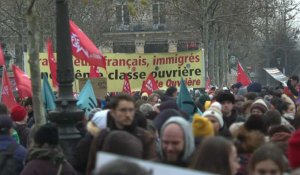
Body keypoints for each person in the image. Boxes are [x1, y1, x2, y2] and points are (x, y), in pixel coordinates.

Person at [87, 94, 156, 174]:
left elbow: (150, 166)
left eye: (131, 110)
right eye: (123, 110)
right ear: (113, 112)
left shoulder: (145, 137)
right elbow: (92, 167)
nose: (127, 115)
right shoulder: (102, 137)